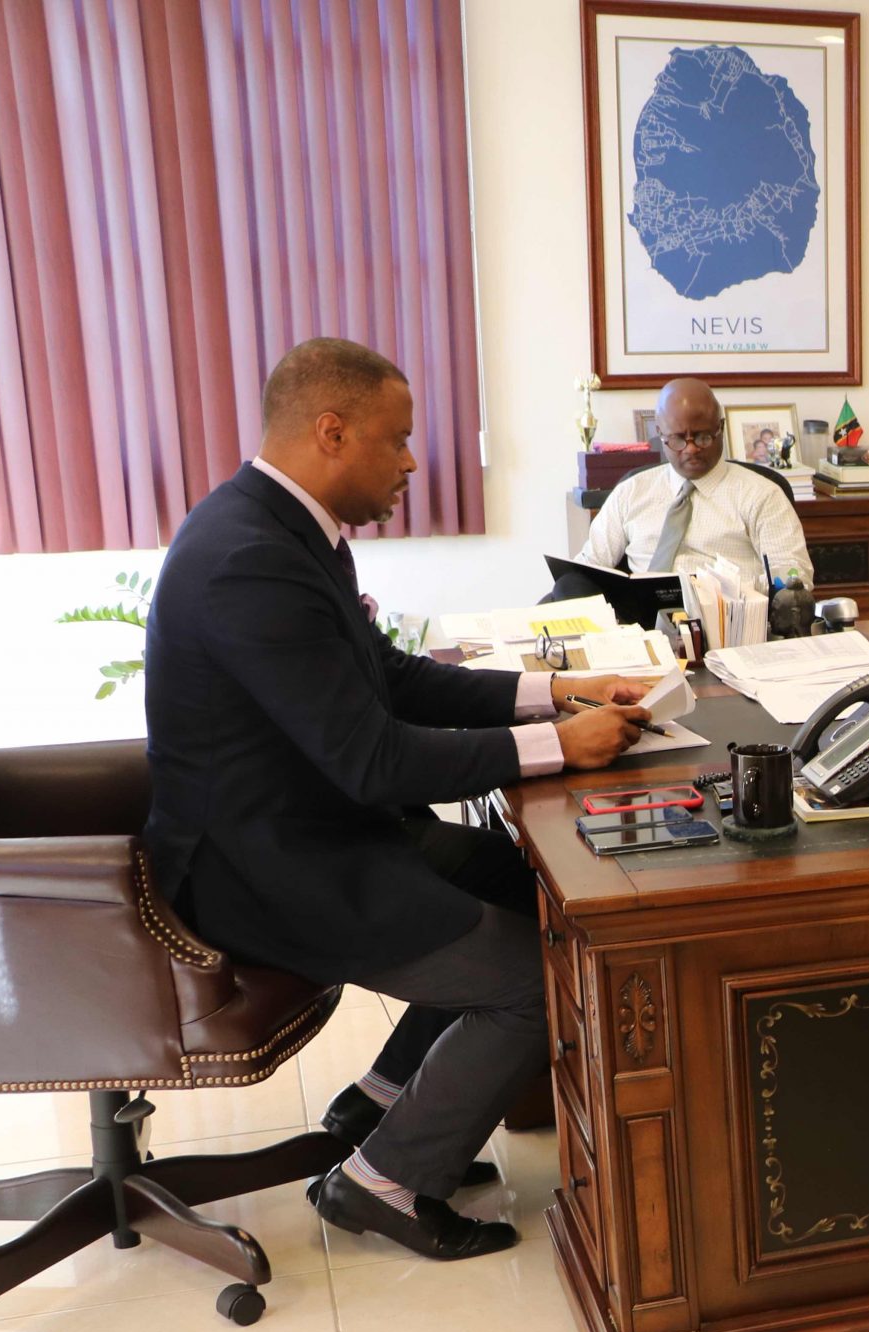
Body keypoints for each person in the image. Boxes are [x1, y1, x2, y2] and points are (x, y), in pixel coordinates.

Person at [144, 337, 654, 1261]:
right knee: (542, 982)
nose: (414, 462)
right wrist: (552, 749)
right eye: (400, 439)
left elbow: (389, 676)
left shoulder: (289, 530)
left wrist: (557, 693)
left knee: (522, 884)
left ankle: (374, 1102)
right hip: (264, 867)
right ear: (332, 432)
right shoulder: (249, 559)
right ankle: (382, 1180)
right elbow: (372, 760)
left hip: (316, 828)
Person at [555, 376, 811, 628]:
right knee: (568, 585)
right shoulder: (631, 492)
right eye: (678, 439)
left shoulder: (762, 494)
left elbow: (793, 574)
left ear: (720, 428)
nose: (690, 449)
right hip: (641, 627)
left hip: (727, 625)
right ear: (660, 434)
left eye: (702, 437)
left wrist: (759, 588)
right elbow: (589, 566)